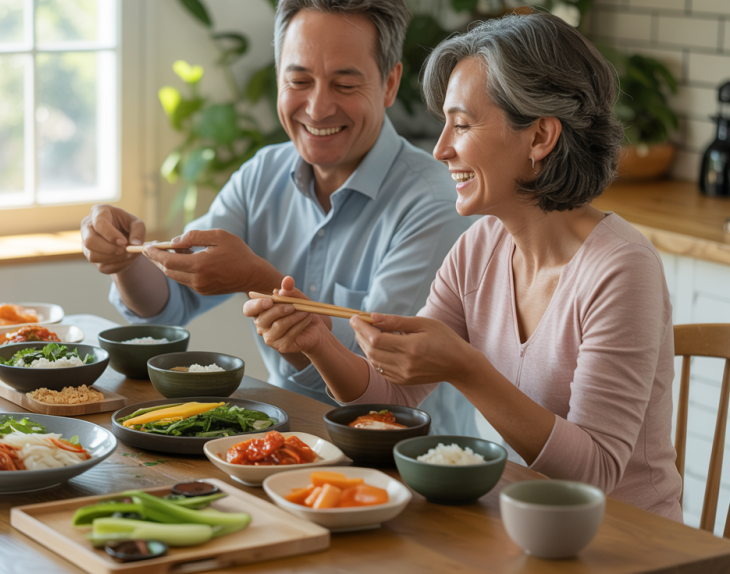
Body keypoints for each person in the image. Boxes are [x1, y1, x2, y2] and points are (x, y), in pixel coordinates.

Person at [244, 12, 683, 520]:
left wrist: (467, 368)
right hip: (519, 519)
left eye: (463, 124)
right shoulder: (480, 247)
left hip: (629, 542)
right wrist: (316, 340)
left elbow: (597, 473)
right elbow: (391, 395)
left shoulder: (621, 268)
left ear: (540, 137)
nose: (441, 148)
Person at [81, 0, 477, 434]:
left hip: (407, 456)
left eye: (344, 85)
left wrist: (258, 278)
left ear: (389, 83)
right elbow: (166, 305)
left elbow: (380, 384)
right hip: (282, 440)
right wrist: (124, 260)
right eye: (299, 80)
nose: (318, 107)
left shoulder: (434, 204)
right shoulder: (262, 174)